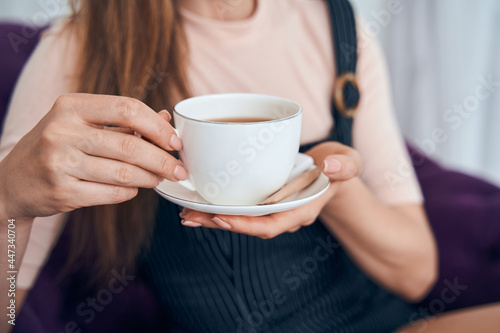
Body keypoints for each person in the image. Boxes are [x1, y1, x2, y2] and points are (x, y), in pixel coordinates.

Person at [0, 0, 499, 332]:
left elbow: (417, 271)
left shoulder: (339, 26)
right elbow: (8, 311)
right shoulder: (83, 46)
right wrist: (7, 202)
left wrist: (331, 185)